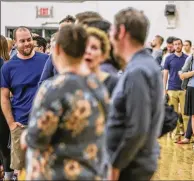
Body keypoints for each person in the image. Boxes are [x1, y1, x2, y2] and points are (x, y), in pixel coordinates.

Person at [21, 24, 107, 180]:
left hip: (57, 174)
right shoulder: (99, 87)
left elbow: (37, 138)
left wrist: (25, 136)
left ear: (58, 49)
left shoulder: (54, 88)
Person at [106, 7, 164, 181]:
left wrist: (116, 166)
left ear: (121, 31)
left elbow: (138, 127)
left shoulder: (137, 71)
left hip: (130, 167)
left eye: (111, 31)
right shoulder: (144, 64)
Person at [0, 26, 48, 173]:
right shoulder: (8, 67)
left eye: (29, 39)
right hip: (21, 124)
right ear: (15, 43)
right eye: (22, 41)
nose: (27, 43)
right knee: (22, 169)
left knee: (45, 168)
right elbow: (4, 97)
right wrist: (11, 124)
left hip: (45, 123)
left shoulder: (47, 60)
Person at [163, 38, 188, 142]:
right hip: (171, 89)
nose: (177, 46)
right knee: (174, 113)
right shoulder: (168, 58)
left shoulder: (187, 58)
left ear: (182, 45)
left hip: (184, 89)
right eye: (175, 44)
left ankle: (187, 135)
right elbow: (165, 74)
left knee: (186, 114)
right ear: (173, 46)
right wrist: (164, 89)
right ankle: (176, 134)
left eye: (179, 44)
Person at [84, 27, 118, 95]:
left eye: (94, 48)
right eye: (84, 47)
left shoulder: (114, 83)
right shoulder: (73, 82)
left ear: (103, 55)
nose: (88, 51)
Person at [0, 35, 14, 181]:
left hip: (3, 111)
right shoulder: (7, 64)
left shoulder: (4, 65)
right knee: (5, 148)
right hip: (4, 110)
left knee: (4, 148)